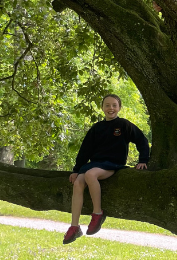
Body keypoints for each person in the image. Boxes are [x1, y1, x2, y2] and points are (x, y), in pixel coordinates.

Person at [64, 94, 150, 244]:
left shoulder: (124, 125)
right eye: (107, 105)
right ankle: (74, 226)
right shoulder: (97, 128)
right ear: (102, 108)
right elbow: (85, 150)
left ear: (119, 108)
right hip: (95, 163)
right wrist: (76, 169)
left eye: (114, 105)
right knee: (78, 182)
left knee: (91, 175)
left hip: (112, 164)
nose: (111, 108)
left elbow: (142, 140)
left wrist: (143, 160)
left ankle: (98, 213)